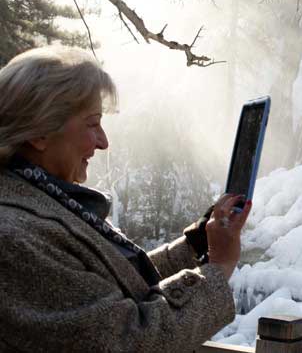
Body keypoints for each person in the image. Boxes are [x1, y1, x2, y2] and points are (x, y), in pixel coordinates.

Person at [0, 46, 252, 352]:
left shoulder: (41, 202)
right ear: (39, 132)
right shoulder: (13, 238)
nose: (103, 142)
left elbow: (114, 285)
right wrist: (218, 268)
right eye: (92, 123)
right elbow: (127, 339)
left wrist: (194, 245)